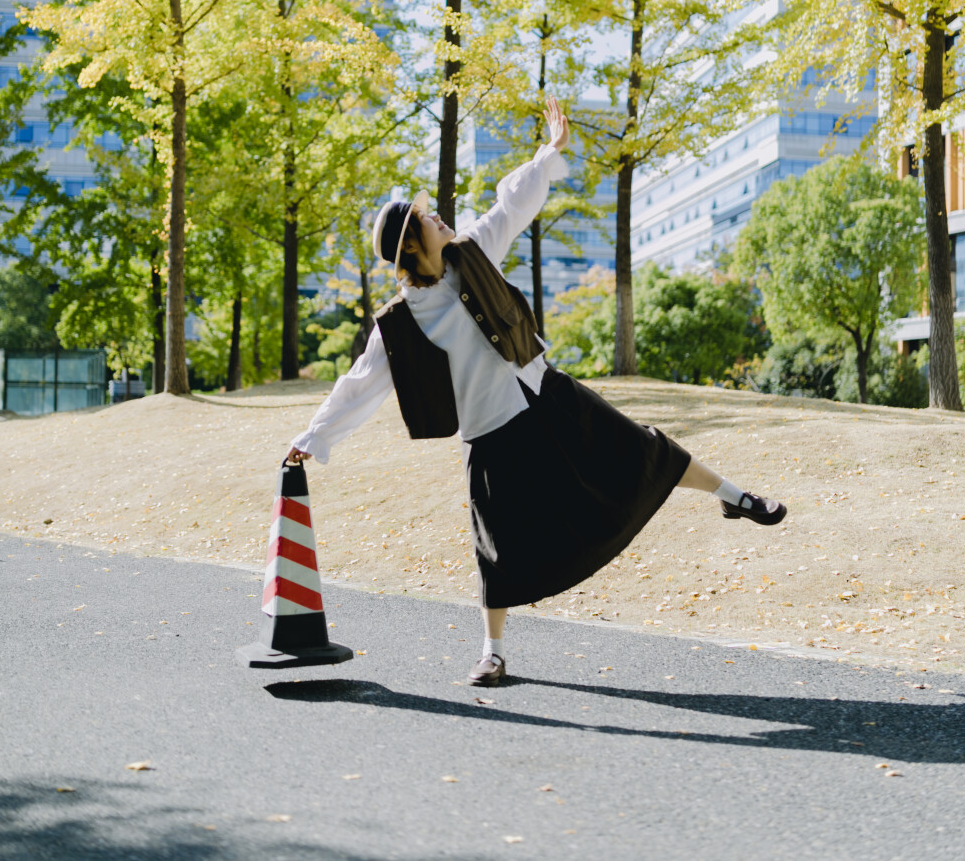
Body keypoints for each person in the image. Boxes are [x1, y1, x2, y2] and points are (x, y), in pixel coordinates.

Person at [287, 97, 786, 686]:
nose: (441, 217)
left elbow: (511, 205)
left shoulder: (471, 255)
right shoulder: (399, 323)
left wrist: (548, 154)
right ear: (411, 248)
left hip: (549, 396)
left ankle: (735, 496)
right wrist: (313, 437)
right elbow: (360, 385)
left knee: (643, 450)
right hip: (491, 434)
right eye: (429, 220)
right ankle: (492, 653)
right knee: (495, 547)